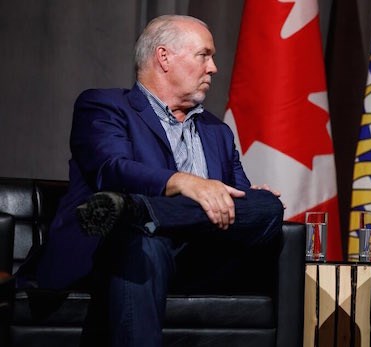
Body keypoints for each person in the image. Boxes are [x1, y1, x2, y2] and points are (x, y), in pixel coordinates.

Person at [16, 15, 284, 346]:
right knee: (142, 243)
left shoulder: (218, 131)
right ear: (164, 56)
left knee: (268, 206)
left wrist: (245, 197)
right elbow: (111, 168)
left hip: (199, 257)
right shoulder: (104, 106)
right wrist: (184, 182)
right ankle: (140, 219)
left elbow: (235, 196)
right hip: (120, 253)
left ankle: (139, 210)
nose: (213, 67)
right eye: (204, 55)